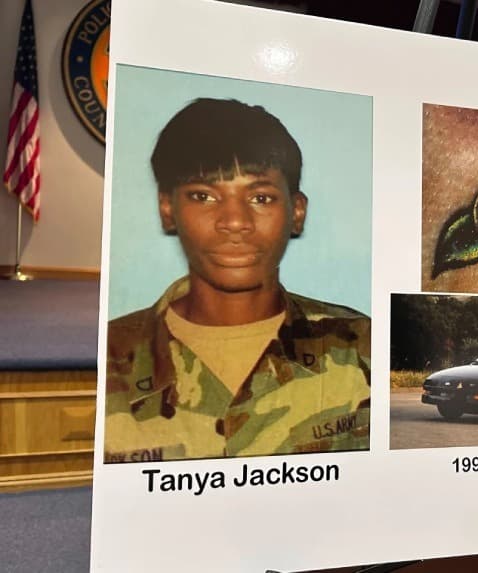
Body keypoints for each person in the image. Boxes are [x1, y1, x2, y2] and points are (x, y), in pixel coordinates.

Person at [103, 98, 370, 463]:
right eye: (204, 196)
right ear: (167, 209)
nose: (235, 221)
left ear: (296, 212)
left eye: (261, 198)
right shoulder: (107, 357)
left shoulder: (362, 349)